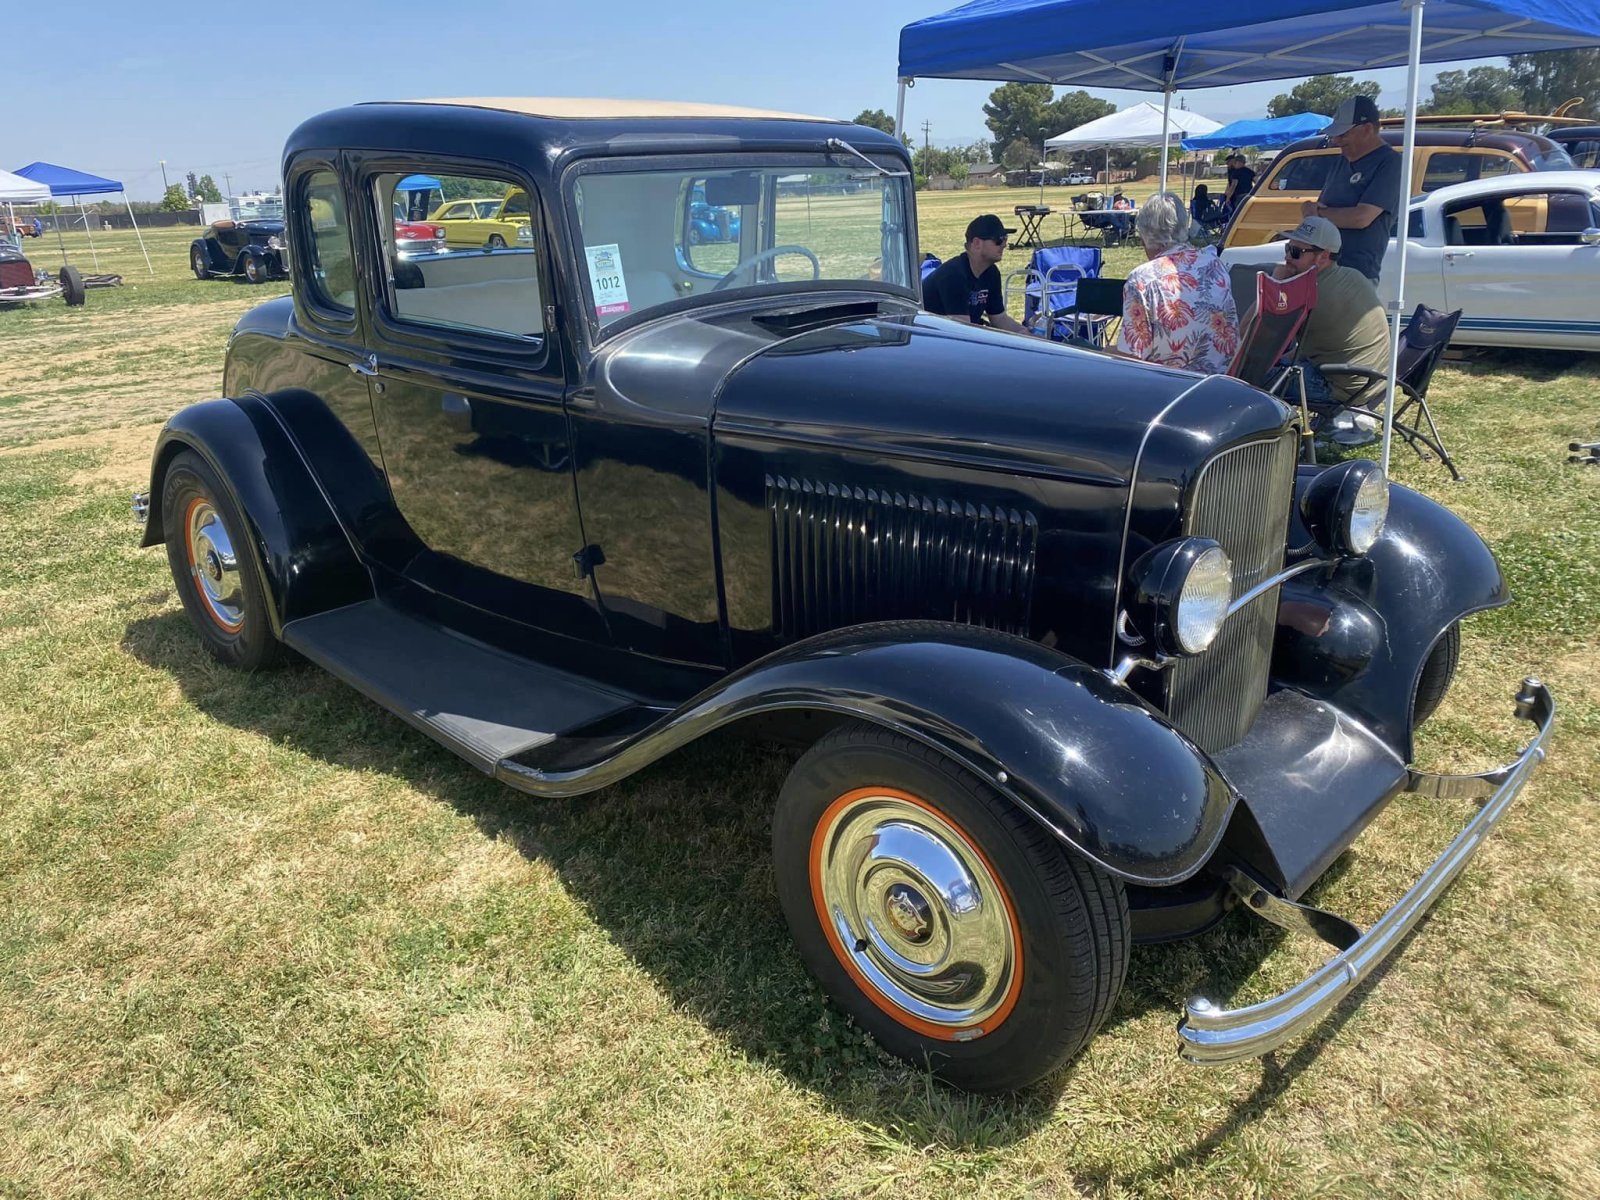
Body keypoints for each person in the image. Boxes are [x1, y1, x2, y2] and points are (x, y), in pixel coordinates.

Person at [1247, 216, 1391, 441]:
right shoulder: (1353, 275)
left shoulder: (1306, 294)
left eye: (1296, 252)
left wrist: (1274, 284)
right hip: (1375, 384)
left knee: (1250, 377)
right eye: (1288, 248)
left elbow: (1251, 336)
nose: (1287, 257)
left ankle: (1256, 435)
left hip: (1341, 387)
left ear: (1323, 257)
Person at [1115, 192, 1239, 374]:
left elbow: (1133, 359)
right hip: (1221, 382)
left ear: (1143, 236)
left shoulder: (1142, 279)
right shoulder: (1214, 263)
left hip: (1171, 388)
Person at [1301, 96, 1402, 285]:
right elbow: (1324, 205)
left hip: (1357, 272)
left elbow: (1361, 217)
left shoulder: (1389, 162)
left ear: (1367, 129)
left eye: (1343, 134)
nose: (1336, 140)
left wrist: (1316, 213)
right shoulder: (1341, 161)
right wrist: (1315, 211)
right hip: (1324, 266)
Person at [921, 213, 1029, 334]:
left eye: (1005, 238)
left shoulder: (991, 273)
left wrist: (1026, 333)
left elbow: (999, 319)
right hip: (933, 339)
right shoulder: (953, 275)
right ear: (977, 243)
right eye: (998, 239)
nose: (1004, 244)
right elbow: (962, 330)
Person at [1222, 153, 1255, 217]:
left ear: (1238, 162)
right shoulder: (1250, 171)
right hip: (1249, 195)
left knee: (1239, 214)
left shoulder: (1236, 172)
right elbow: (1257, 182)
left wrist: (1228, 197)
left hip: (1240, 196)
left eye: (1235, 162)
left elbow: (1233, 185)